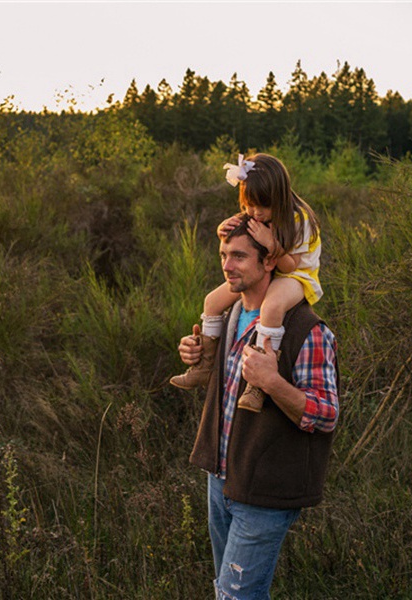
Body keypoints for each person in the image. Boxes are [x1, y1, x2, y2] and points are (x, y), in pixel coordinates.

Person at [177, 216, 339, 599]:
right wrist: (195, 353)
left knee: (236, 597)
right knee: (227, 592)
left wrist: (272, 382)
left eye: (238, 256)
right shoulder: (230, 316)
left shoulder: (307, 329)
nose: (226, 265)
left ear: (269, 262)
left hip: (265, 489)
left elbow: (326, 415)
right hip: (220, 479)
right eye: (223, 255)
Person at [170, 153, 322, 414]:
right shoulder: (257, 215)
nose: (255, 213)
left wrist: (270, 243)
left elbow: (290, 266)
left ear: (279, 198)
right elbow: (239, 236)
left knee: (272, 308)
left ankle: (258, 383)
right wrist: (223, 228)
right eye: (249, 205)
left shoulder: (299, 219)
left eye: (262, 206)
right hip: (270, 271)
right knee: (212, 301)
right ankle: (205, 365)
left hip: (297, 276)